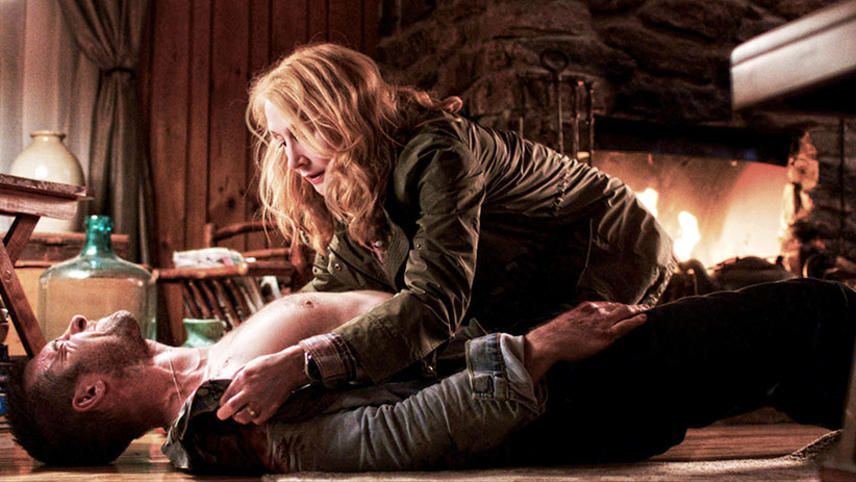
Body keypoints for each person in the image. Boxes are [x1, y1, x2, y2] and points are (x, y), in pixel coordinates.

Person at [225, 42, 676, 421]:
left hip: (605, 241)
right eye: (280, 140)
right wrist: (225, 359)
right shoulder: (357, 172)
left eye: (301, 133)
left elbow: (433, 305)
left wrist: (299, 364)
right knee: (464, 367)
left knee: (537, 391)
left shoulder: (439, 154)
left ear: (343, 115)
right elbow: (324, 293)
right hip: (522, 268)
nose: (292, 161)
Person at [8, 278, 856, 473]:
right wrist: (541, 349)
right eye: (63, 351)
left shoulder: (210, 359)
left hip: (517, 345)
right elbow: (394, 435)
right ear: (91, 395)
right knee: (812, 316)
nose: (72, 328)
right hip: (554, 390)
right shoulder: (225, 419)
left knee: (791, 357)